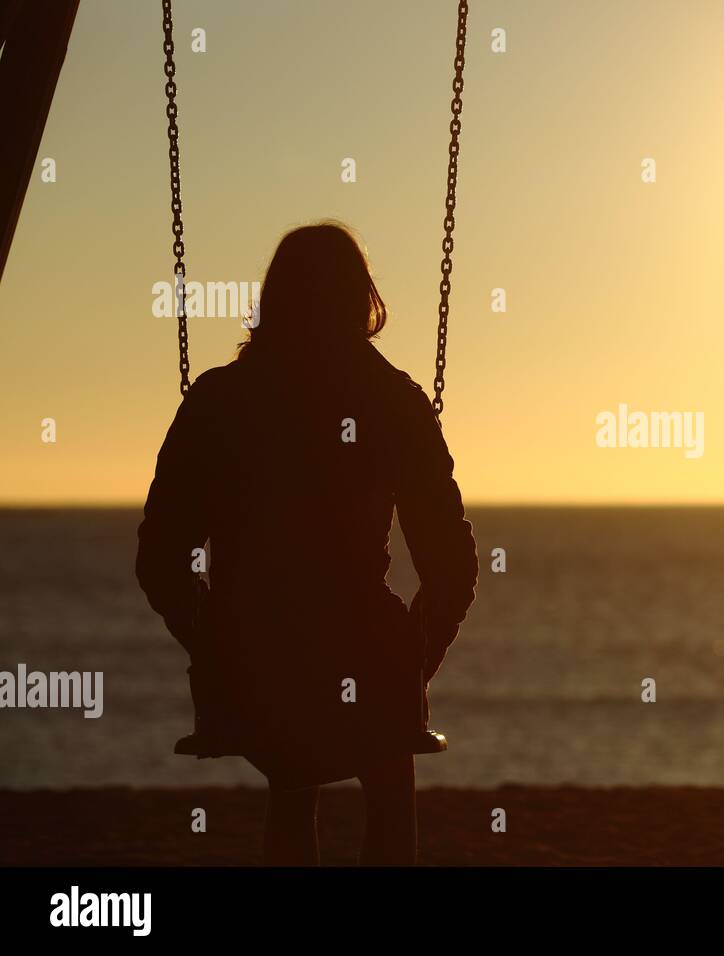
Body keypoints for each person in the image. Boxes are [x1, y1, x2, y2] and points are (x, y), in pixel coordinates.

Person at [136, 221, 478, 865]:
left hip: (253, 661)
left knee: (291, 773)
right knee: (384, 755)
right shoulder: (393, 402)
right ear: (362, 301)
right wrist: (412, 660)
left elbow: (159, 558)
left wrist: (213, 641)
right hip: (364, 659)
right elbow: (453, 568)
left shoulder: (220, 399)